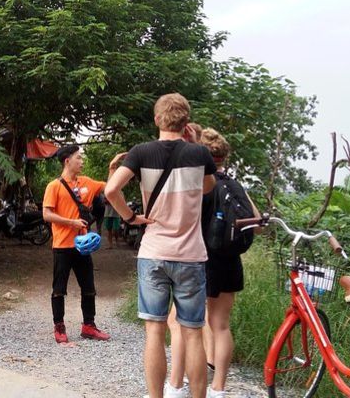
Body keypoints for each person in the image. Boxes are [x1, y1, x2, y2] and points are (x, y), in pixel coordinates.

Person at [105, 93, 216, 398]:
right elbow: (208, 188)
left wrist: (130, 217)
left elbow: (111, 189)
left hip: (153, 252)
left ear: (157, 119)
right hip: (191, 255)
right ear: (186, 122)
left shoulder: (141, 152)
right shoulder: (200, 155)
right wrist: (195, 145)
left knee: (154, 332)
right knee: (193, 334)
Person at [166, 127, 262, 398]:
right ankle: (218, 388)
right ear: (224, 156)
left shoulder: (199, 185)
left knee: (179, 322)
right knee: (220, 325)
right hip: (229, 261)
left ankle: (175, 385)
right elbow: (255, 224)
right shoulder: (233, 185)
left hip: (200, 259)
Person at [42, 145, 125, 344]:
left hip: (83, 246)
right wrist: (71, 222)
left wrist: (113, 168)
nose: (82, 161)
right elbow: (46, 214)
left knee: (89, 287)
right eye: (78, 158)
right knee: (59, 288)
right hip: (62, 245)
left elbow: (111, 188)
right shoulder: (54, 186)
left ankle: (89, 325)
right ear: (67, 161)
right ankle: (59, 326)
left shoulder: (86, 182)